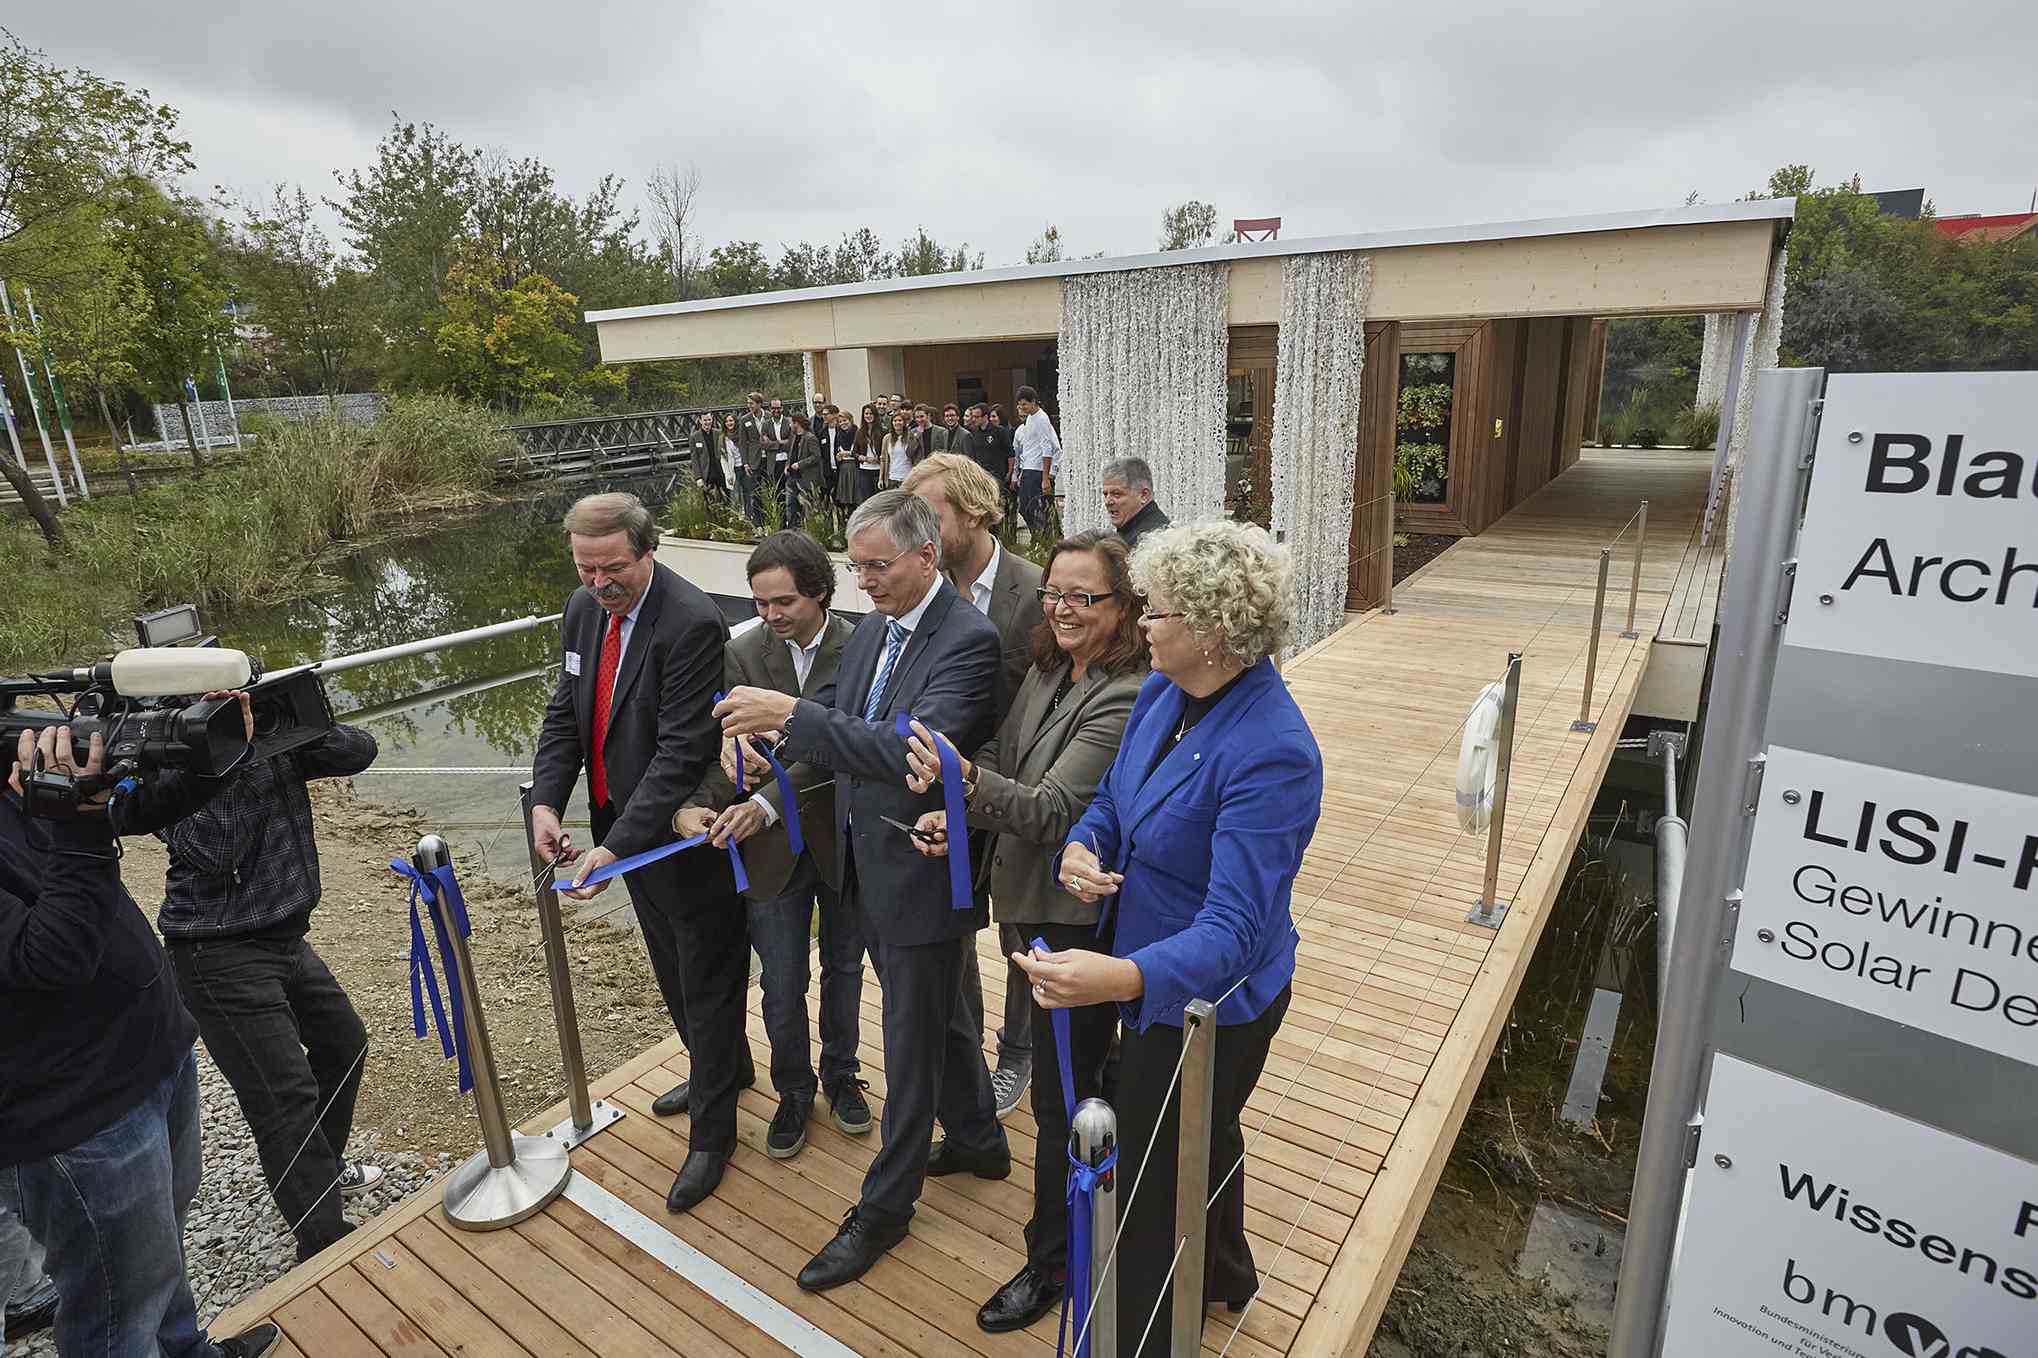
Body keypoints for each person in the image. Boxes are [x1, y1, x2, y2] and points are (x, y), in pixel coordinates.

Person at [1019, 519, 1322, 1356]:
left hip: (1211, 1006)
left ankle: (1144, 1337)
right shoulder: (1163, 692)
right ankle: (1227, 1272)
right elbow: (1116, 800)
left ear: (1212, 630)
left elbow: (1232, 932)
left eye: (1154, 612)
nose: (1140, 625)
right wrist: (1086, 847)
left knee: (1153, 1183)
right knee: (1207, 1135)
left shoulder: (1274, 752)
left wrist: (1117, 978)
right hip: (1145, 964)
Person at [714, 491, 1007, 1292]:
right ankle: (980, 1138)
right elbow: (838, 724)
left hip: (921, 869)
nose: (864, 582)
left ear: (926, 557)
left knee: (908, 1045)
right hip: (867, 864)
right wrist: (764, 753)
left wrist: (792, 713)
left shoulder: (969, 640)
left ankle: (884, 1209)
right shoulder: (878, 625)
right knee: (941, 1019)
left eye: (878, 566)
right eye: (856, 566)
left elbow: (906, 748)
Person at [901, 530, 1149, 1332]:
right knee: (1079, 1081)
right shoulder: (1048, 666)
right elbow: (1008, 759)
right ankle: (1094, 1218)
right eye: (1054, 592)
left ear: (1126, 606)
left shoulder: (1127, 693)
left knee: (1058, 1099)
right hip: (1029, 906)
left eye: (1086, 596)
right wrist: (957, 814)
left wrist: (960, 780)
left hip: (1077, 923)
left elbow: (1050, 810)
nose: (1063, 608)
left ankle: (1054, 1264)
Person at [2, 716, 282, 1358]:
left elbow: (132, 809)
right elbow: (51, 956)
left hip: (147, 1050)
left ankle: (185, 1350)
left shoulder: (10, 765)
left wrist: (208, 749)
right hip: (72, 1111)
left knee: (154, 1253)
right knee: (114, 1305)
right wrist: (77, 817)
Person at [529, 492, 747, 1215]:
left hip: (683, 835)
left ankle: (715, 1138)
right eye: (585, 569)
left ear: (646, 549)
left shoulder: (690, 623)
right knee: (669, 969)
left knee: (708, 979)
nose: (598, 583)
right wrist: (545, 804)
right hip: (620, 828)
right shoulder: (581, 610)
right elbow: (567, 710)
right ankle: (727, 1069)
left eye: (612, 568)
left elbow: (683, 751)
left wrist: (617, 844)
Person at [155, 717, 383, 1263]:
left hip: (284, 935)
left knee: (343, 1045)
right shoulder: (167, 754)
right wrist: (238, 748)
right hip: (217, 951)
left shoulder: (263, 732)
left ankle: (319, 1171)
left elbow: (358, 751)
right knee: (284, 1096)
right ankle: (324, 1243)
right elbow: (217, 848)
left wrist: (292, 720)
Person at [676, 533, 870, 1160]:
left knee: (844, 970)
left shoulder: (864, 646)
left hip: (843, 843)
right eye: (760, 603)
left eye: (783, 602)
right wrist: (703, 797)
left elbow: (851, 751)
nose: (769, 615)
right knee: (782, 982)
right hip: (770, 854)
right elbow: (726, 749)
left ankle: (841, 1075)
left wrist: (764, 802)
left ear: (819, 590)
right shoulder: (742, 653)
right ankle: (793, 1089)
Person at [900, 453, 1043, 1114]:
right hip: (936, 800)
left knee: (1019, 936)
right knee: (953, 935)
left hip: (1014, 798)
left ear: (976, 511)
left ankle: (1020, 1052)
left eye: (929, 514)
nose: (916, 529)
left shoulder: (1039, 594)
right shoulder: (915, 593)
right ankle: (969, 1055)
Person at [1012, 386, 1060, 538]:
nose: (1022, 408)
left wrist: (1046, 477)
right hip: (1028, 468)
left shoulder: (1041, 419)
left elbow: (1049, 449)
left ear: (1034, 402)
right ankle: (1037, 535)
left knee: (1035, 506)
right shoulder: (1031, 418)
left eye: (1024, 404)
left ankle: (1043, 537)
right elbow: (1028, 447)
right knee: (1024, 507)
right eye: (1019, 405)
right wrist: (1021, 472)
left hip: (1037, 470)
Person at [1102, 455, 1171, 550]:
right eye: (1105, 494)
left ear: (1144, 495)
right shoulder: (1133, 533)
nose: (1107, 502)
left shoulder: (1151, 543)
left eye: (1117, 494)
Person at [788, 413, 826, 522]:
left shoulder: (810, 438)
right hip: (792, 477)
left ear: (797, 423)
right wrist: (788, 465)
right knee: (791, 506)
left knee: (808, 507)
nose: (790, 425)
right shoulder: (794, 437)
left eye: (792, 423)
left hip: (806, 478)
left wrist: (800, 464)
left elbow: (816, 456)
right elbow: (792, 453)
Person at [736, 394, 767, 520]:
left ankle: (774, 522)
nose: (748, 406)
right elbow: (742, 443)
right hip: (754, 460)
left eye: (751, 403)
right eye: (748, 403)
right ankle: (759, 523)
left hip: (770, 459)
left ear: (759, 404)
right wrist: (745, 463)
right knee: (756, 493)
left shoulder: (769, 416)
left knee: (772, 490)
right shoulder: (744, 419)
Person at [762, 397, 793, 505]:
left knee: (790, 493)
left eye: (778, 408)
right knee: (777, 494)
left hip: (787, 462)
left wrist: (773, 443)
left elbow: (791, 442)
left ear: (782, 408)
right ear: (770, 408)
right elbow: (764, 444)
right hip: (773, 462)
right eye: (773, 408)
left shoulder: (789, 422)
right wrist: (780, 443)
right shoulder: (765, 424)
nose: (776, 410)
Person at [881, 409, 919, 488]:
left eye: (900, 420)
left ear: (904, 423)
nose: (897, 422)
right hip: (892, 477)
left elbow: (915, 456)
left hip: (907, 477)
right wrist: (881, 478)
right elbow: (883, 459)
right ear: (892, 423)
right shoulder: (887, 438)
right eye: (895, 421)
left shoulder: (910, 437)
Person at [689, 411, 723, 498]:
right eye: (705, 420)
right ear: (700, 421)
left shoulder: (719, 433)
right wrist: (698, 477)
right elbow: (694, 458)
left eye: (709, 419)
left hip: (721, 472)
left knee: (726, 499)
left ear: (712, 419)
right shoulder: (694, 437)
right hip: (706, 474)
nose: (707, 422)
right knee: (709, 502)